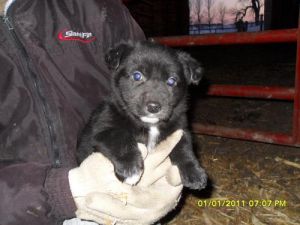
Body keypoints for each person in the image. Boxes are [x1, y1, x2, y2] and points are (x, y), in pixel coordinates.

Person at [0, 0, 183, 225]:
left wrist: (162, 168)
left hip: (116, 186)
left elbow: (153, 94)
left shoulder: (99, 8)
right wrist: (64, 190)